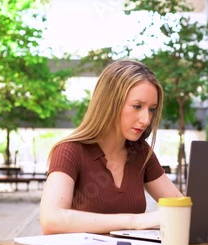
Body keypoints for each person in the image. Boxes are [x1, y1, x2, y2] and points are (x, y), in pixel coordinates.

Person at [40, 59, 183, 235]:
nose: (146, 119)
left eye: (152, 109)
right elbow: (51, 221)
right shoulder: (71, 151)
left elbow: (180, 207)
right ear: (110, 102)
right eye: (137, 106)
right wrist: (133, 221)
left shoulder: (140, 152)